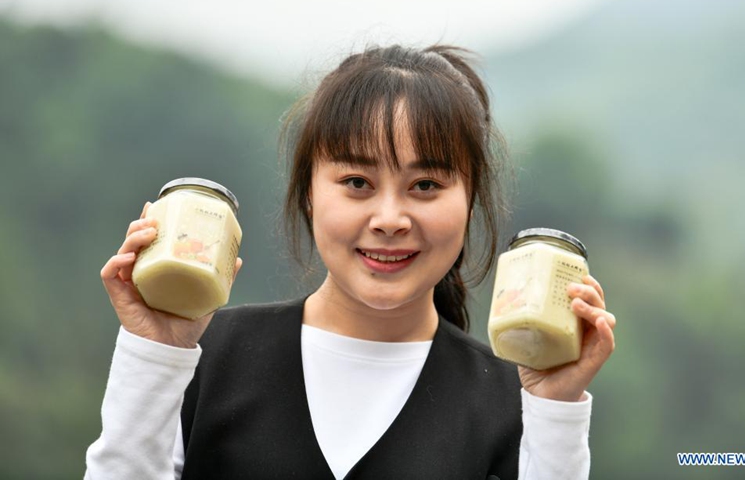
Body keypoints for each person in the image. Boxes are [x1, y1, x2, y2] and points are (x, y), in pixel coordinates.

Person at [85, 44, 616, 479]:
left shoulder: (517, 400)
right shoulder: (200, 358)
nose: (390, 217)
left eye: (426, 185)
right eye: (357, 183)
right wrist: (155, 351)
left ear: (470, 202)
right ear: (309, 194)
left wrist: (556, 410)